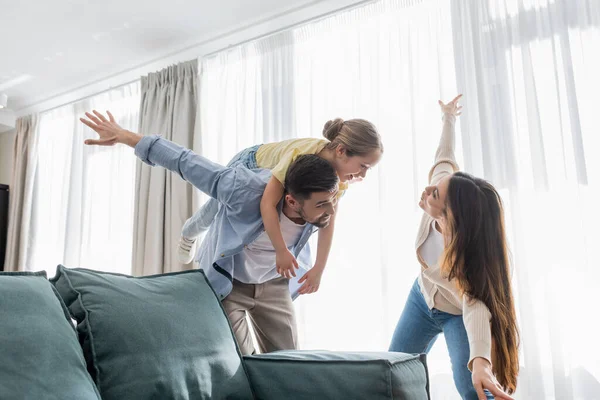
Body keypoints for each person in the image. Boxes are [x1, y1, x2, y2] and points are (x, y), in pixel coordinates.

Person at [80, 110, 341, 355]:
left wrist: (318, 268)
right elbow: (185, 161)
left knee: (288, 362)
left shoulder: (322, 200)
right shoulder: (242, 189)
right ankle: (188, 233)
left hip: (273, 284)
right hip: (231, 283)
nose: (330, 210)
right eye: (321, 204)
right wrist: (127, 136)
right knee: (242, 361)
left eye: (331, 200)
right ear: (292, 201)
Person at [388, 95, 519, 400]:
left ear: (451, 216)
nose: (428, 189)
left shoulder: (468, 258)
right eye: (437, 184)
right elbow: (444, 155)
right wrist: (449, 117)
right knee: (391, 372)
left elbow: (475, 306)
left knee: (473, 389)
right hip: (421, 299)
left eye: (435, 194)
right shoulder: (442, 183)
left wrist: (482, 362)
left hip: (455, 312)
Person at [177, 119, 383, 296]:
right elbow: (268, 202)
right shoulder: (299, 155)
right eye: (363, 166)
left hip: (282, 179)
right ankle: (189, 233)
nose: (363, 175)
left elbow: (327, 224)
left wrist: (318, 269)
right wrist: (281, 250)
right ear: (341, 151)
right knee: (214, 210)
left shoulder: (340, 182)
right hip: (251, 165)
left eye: (368, 170)